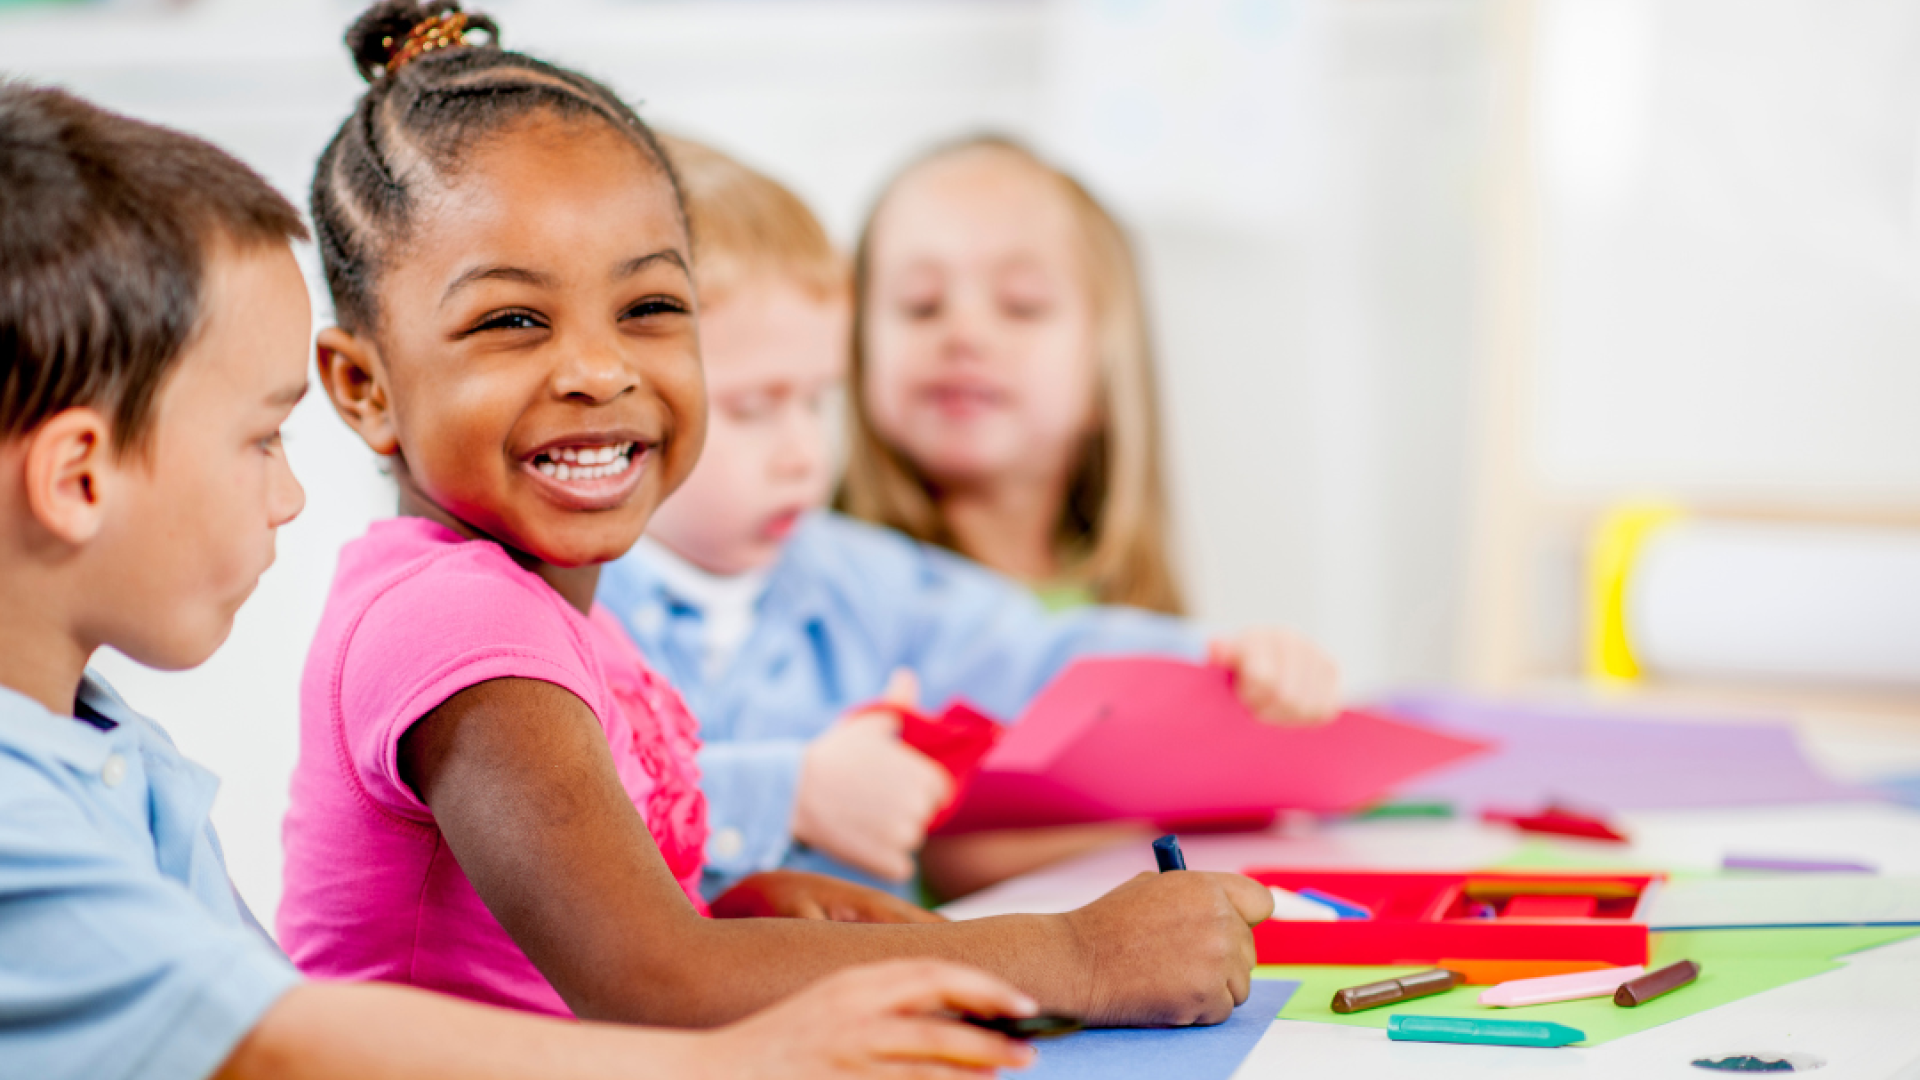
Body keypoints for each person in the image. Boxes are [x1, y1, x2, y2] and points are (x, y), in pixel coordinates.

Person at [0, 80, 1038, 1080]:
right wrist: (739, 1058)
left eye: (650, 307)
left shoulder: (106, 751)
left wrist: (731, 931)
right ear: (79, 475)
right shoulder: (19, 815)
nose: (289, 498)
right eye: (264, 438)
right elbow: (273, 1047)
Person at [281, 0, 1272, 1034]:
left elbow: (596, 953)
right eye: (512, 320)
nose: (598, 369)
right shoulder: (459, 625)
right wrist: (1079, 954)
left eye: (650, 308)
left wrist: (742, 914)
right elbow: (652, 981)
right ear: (363, 389)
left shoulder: (556, 609)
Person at [601, 136, 1343, 900]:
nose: (804, 454)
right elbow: (559, 809)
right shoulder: (568, 602)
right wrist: (791, 795)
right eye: (755, 407)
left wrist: (1223, 662)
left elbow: (1036, 653)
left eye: (820, 402)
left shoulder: (859, 575)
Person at [841, 136, 1196, 615]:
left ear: (1105, 372)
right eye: (921, 305)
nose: (964, 334)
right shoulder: (821, 599)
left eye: (1021, 305)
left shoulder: (1135, 627)